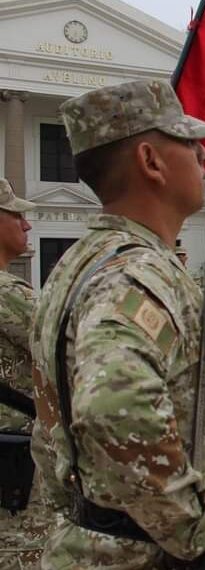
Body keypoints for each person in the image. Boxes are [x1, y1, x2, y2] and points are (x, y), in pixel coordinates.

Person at [32, 79, 205, 567]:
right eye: (188, 143)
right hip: (145, 555)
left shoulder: (80, 263)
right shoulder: (136, 273)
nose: (204, 155)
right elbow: (113, 406)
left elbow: (51, 429)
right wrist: (196, 539)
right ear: (151, 161)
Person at [0, 179, 53, 569]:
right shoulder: (9, 294)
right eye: (15, 214)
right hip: (14, 476)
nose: (27, 223)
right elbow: (75, 350)